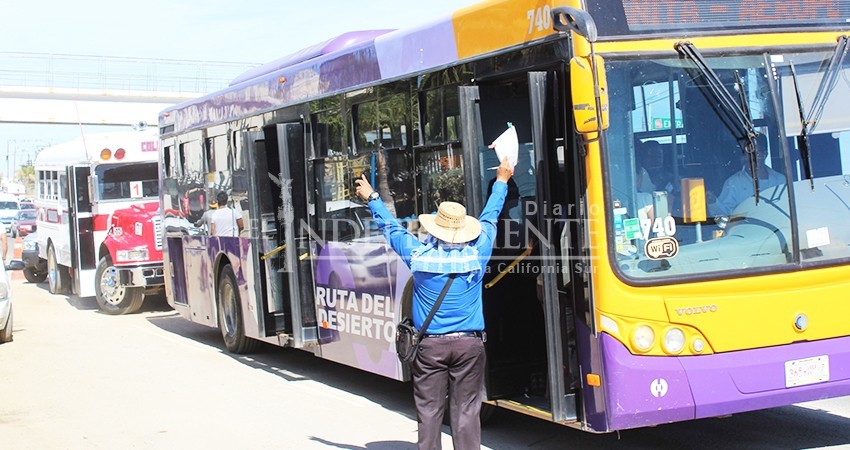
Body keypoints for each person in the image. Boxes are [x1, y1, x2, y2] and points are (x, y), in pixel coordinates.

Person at [355, 156, 513, 450]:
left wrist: (373, 198)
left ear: (435, 228)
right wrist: (502, 180)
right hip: (469, 346)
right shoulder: (477, 254)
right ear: (464, 229)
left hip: (430, 348)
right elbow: (491, 216)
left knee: (429, 412)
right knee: (466, 411)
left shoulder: (418, 256)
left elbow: (392, 229)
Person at [708, 140, 785, 216]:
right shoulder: (733, 183)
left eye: (754, 153)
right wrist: (713, 202)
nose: (749, 158)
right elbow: (723, 215)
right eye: (745, 154)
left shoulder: (781, 181)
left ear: (765, 154)